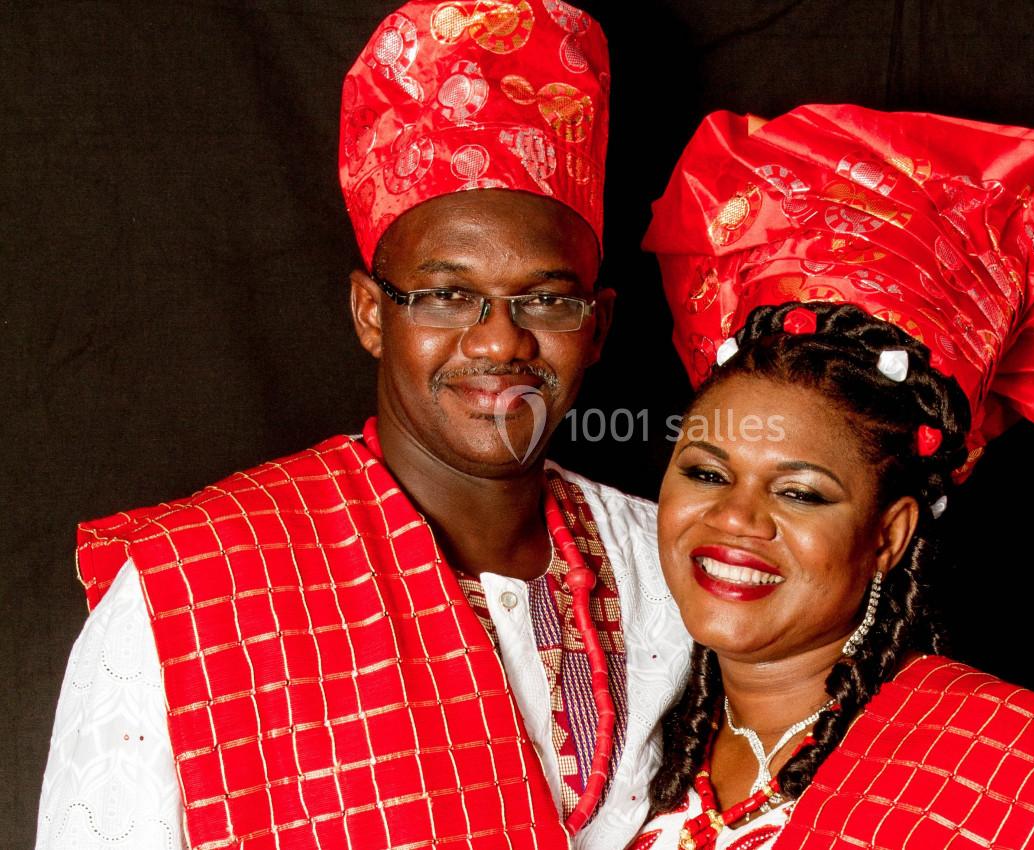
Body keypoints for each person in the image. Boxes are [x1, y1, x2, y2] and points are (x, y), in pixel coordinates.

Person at [35, 3, 690, 849]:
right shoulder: (193, 589)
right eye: (448, 294)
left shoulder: (670, 567)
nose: (500, 339)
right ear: (371, 314)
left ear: (597, 325)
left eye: (544, 298)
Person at [631, 105, 1034, 848]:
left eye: (798, 491)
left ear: (889, 534)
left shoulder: (1017, 764)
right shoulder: (627, 741)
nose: (735, 519)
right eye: (705, 472)